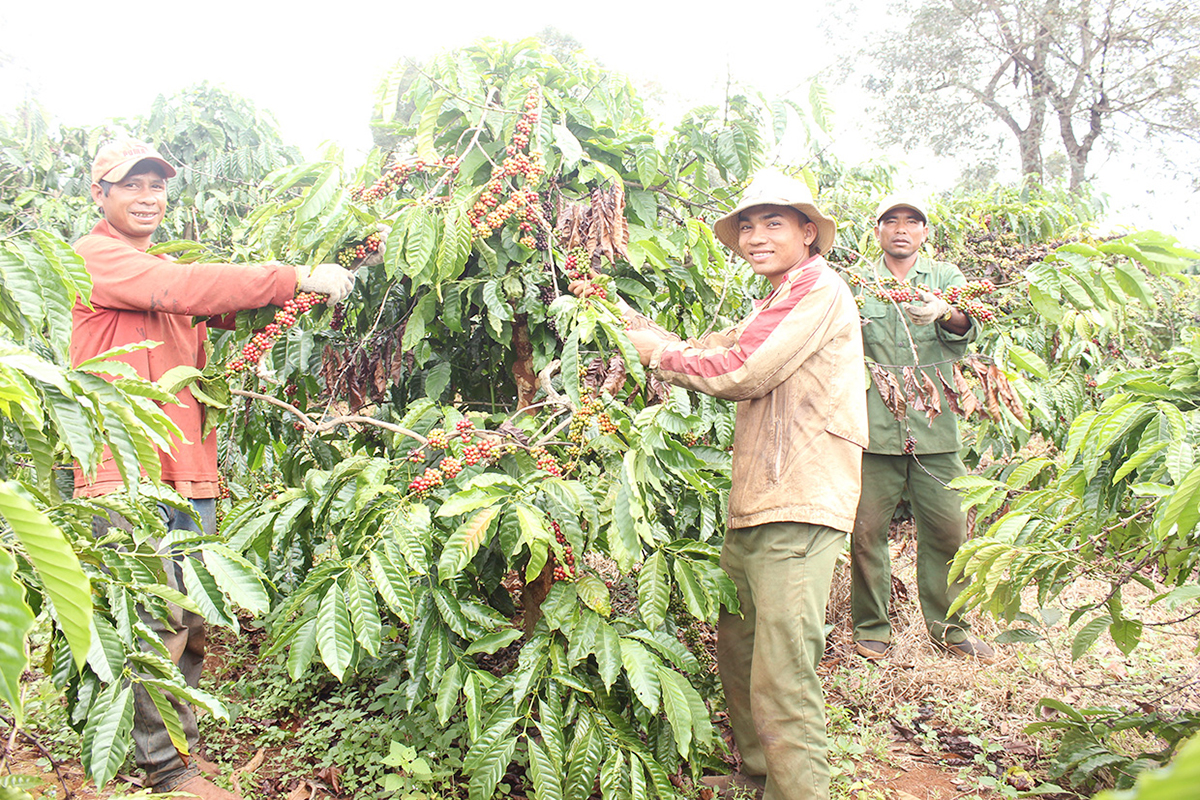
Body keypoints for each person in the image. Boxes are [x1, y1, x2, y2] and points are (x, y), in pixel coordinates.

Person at [72, 139, 356, 798]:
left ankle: (172, 753)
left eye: (156, 187)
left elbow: (216, 301)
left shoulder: (158, 265)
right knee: (152, 619)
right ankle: (165, 770)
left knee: (192, 616)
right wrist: (291, 275)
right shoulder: (96, 257)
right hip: (127, 470)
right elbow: (184, 287)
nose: (147, 198)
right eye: (131, 186)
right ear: (100, 196)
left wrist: (319, 278)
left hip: (188, 470)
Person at [574, 169, 868, 800]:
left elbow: (743, 369)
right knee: (739, 649)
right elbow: (719, 343)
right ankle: (760, 771)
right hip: (760, 500)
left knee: (783, 669)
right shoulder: (778, 297)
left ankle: (800, 792)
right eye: (748, 226)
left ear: (808, 232)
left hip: (800, 497)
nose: (756, 237)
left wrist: (654, 354)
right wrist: (637, 327)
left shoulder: (817, 288)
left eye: (774, 223)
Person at [847, 195, 995, 663]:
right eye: (891, 221)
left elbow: (965, 326)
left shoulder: (946, 277)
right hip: (873, 425)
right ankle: (872, 626)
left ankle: (950, 629)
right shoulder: (858, 281)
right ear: (878, 233)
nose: (902, 229)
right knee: (865, 531)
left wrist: (945, 311)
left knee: (948, 531)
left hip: (935, 429)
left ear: (926, 232)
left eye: (912, 222)